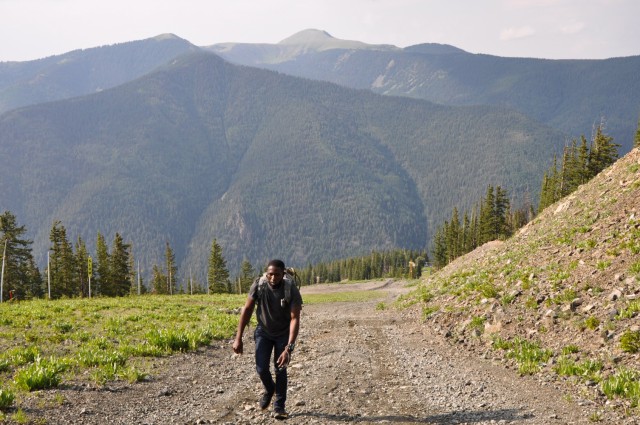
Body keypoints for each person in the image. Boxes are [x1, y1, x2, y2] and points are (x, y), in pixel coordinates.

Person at [233, 259, 302, 420]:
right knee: (261, 368)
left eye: (277, 274)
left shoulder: (290, 288)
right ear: (266, 273)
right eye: (270, 274)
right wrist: (238, 338)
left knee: (280, 369)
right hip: (263, 332)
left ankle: (279, 407)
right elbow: (247, 309)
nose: (273, 278)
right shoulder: (259, 285)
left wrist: (288, 348)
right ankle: (269, 388)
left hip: (283, 334)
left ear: (283, 273)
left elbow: (295, 319)